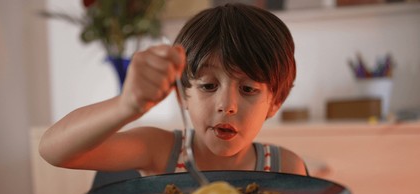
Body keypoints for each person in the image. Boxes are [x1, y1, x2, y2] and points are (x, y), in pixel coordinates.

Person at [39, 3, 308, 178]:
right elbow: (52, 150)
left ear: (275, 102)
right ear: (182, 93)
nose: (227, 105)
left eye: (248, 88)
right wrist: (126, 106)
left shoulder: (285, 167)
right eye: (208, 86)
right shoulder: (162, 151)